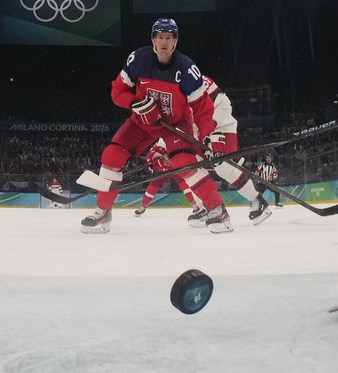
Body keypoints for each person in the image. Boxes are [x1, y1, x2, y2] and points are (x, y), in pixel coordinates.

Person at [80, 18, 232, 234]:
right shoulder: (138, 59)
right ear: (153, 39)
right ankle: (103, 213)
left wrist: (206, 137)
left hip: (175, 124)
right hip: (141, 122)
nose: (164, 42)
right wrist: (134, 103)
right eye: (160, 37)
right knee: (112, 156)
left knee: (185, 162)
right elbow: (117, 91)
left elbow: (203, 109)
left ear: (175, 41)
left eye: (169, 38)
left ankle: (218, 210)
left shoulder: (187, 68)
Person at [187, 75, 272, 226]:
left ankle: (258, 200)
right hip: (196, 135)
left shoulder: (196, 80)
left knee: (223, 167)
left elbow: (224, 105)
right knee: (189, 166)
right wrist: (161, 149)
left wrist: (209, 129)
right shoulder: (162, 92)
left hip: (221, 127)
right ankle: (207, 206)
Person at [133, 138, 198, 216]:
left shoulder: (174, 144)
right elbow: (149, 157)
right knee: (154, 186)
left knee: (184, 184)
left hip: (175, 167)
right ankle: (143, 207)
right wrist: (152, 164)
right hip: (165, 169)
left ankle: (195, 205)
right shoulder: (159, 147)